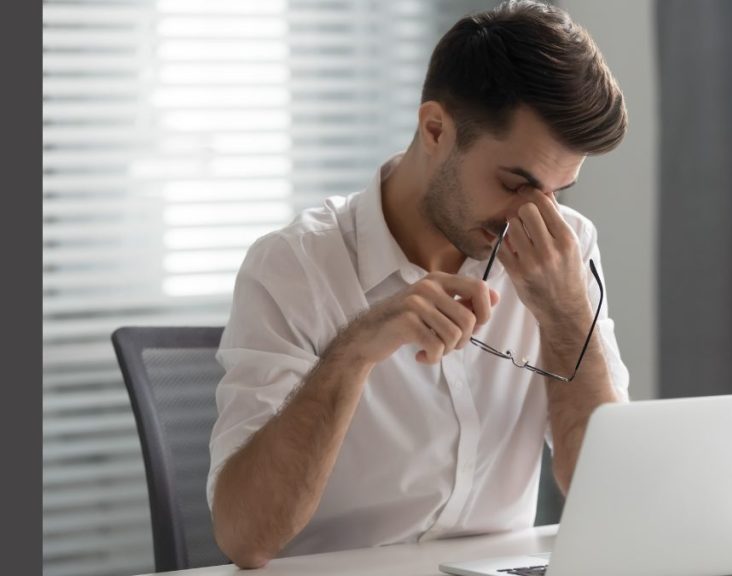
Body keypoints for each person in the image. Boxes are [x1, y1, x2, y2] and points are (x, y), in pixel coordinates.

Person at [206, 0, 630, 568]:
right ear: (435, 130)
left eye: (558, 192)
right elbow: (245, 536)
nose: (535, 218)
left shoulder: (565, 251)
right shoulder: (295, 265)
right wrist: (353, 352)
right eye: (515, 183)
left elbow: (607, 496)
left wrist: (567, 319)